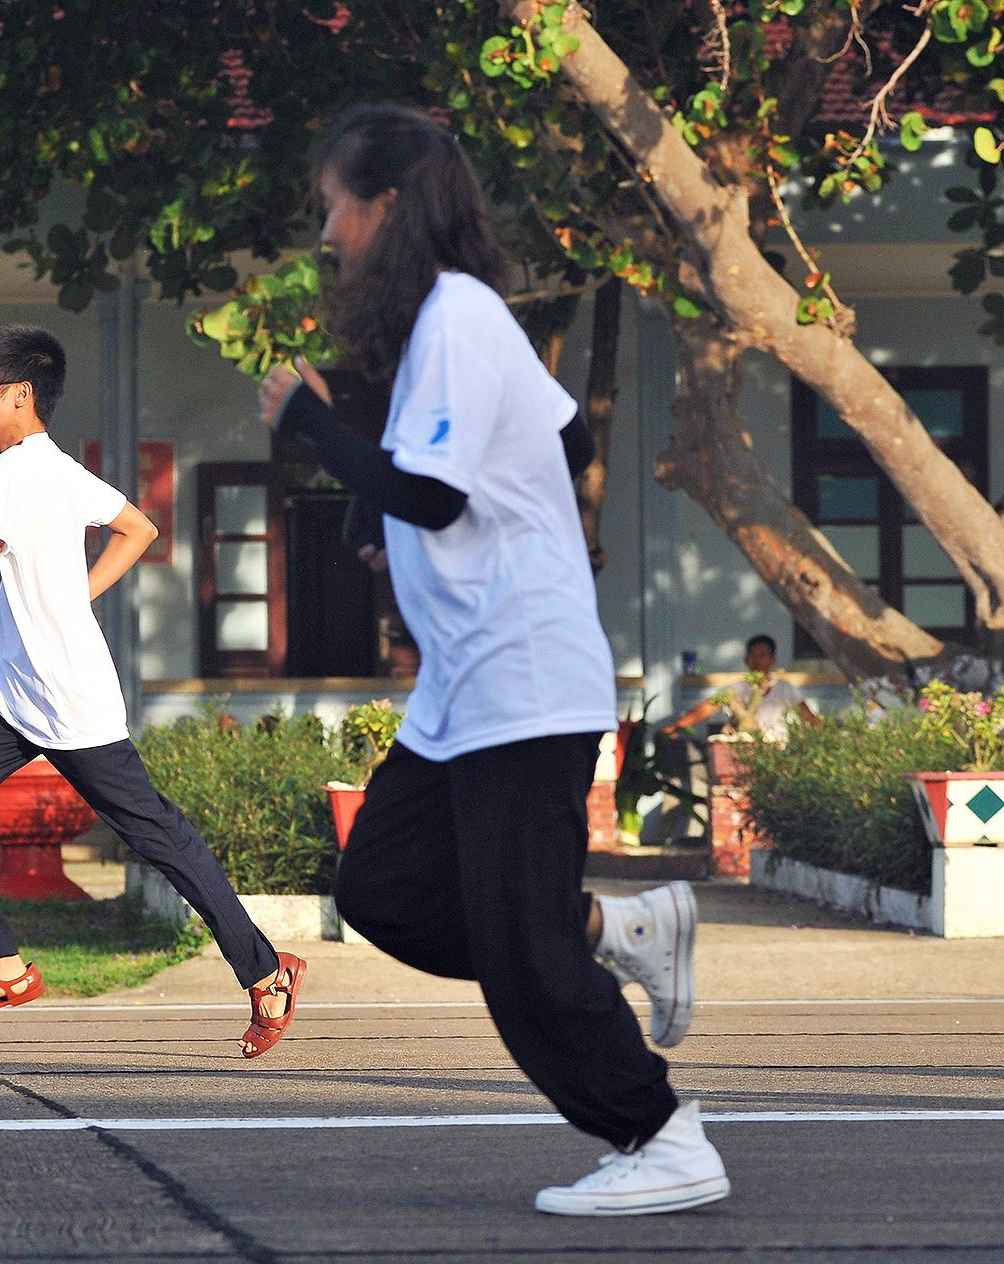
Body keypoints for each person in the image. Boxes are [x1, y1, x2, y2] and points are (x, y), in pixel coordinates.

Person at [255, 103, 728, 1216]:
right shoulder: (447, 330)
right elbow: (558, 438)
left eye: (333, 207)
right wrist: (394, 520)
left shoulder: (459, 318)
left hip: (520, 680)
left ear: (383, 208)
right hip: (462, 692)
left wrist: (312, 432)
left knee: (517, 950)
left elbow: (437, 486)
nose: (326, 233)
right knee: (388, 890)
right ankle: (617, 930)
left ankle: (659, 1134)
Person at [0, 323, 307, 1057]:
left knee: (159, 836)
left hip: (66, 698)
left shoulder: (18, 474)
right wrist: (73, 596)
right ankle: (1, 965)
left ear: (20, 394)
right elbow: (139, 528)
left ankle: (268, 973)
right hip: (17, 693)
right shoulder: (57, 469)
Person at [663, 634, 820, 740]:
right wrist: (677, 727)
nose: (757, 660)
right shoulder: (736, 689)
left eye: (763, 655)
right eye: (753, 655)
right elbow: (708, 706)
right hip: (744, 748)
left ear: (773, 659)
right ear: (746, 659)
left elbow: (809, 717)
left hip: (778, 751)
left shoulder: (785, 688)